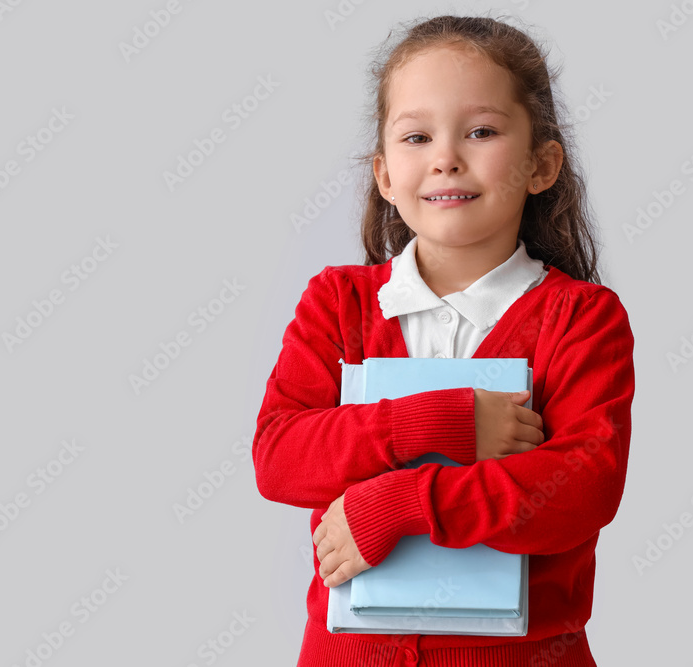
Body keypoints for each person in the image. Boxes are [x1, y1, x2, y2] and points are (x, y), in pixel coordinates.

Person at [252, 13, 635, 667]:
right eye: (417, 135)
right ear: (384, 175)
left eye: (481, 131)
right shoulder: (338, 304)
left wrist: (397, 503)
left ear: (542, 164)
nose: (445, 157)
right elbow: (281, 457)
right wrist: (440, 422)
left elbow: (580, 489)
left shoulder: (582, 318)